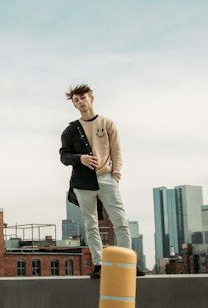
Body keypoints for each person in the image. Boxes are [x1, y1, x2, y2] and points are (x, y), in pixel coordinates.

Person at [59, 84, 145, 279]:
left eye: (83, 98)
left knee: (120, 221)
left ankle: (128, 264)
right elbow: (64, 157)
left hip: (107, 178)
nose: (80, 102)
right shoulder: (70, 131)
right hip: (82, 183)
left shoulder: (107, 124)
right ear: (74, 104)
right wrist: (80, 158)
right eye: (76, 100)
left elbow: (117, 151)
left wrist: (116, 175)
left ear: (91, 98)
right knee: (91, 225)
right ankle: (99, 264)